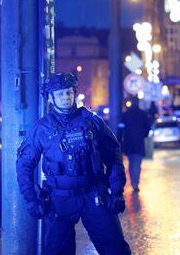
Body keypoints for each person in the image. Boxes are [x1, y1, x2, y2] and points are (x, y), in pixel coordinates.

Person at [16, 72, 131, 254]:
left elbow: (114, 156)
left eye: (68, 92)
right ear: (51, 98)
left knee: (115, 248)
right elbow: (24, 164)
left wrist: (116, 192)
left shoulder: (92, 122)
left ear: (74, 93)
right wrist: (31, 198)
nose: (65, 98)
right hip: (59, 199)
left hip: (93, 194)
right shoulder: (42, 128)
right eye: (60, 94)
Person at [121, 97, 151, 192]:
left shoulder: (125, 115)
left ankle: (133, 182)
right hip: (139, 142)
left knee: (131, 163)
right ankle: (135, 183)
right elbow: (148, 127)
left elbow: (121, 128)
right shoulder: (143, 114)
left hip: (129, 143)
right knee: (137, 164)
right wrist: (144, 134)